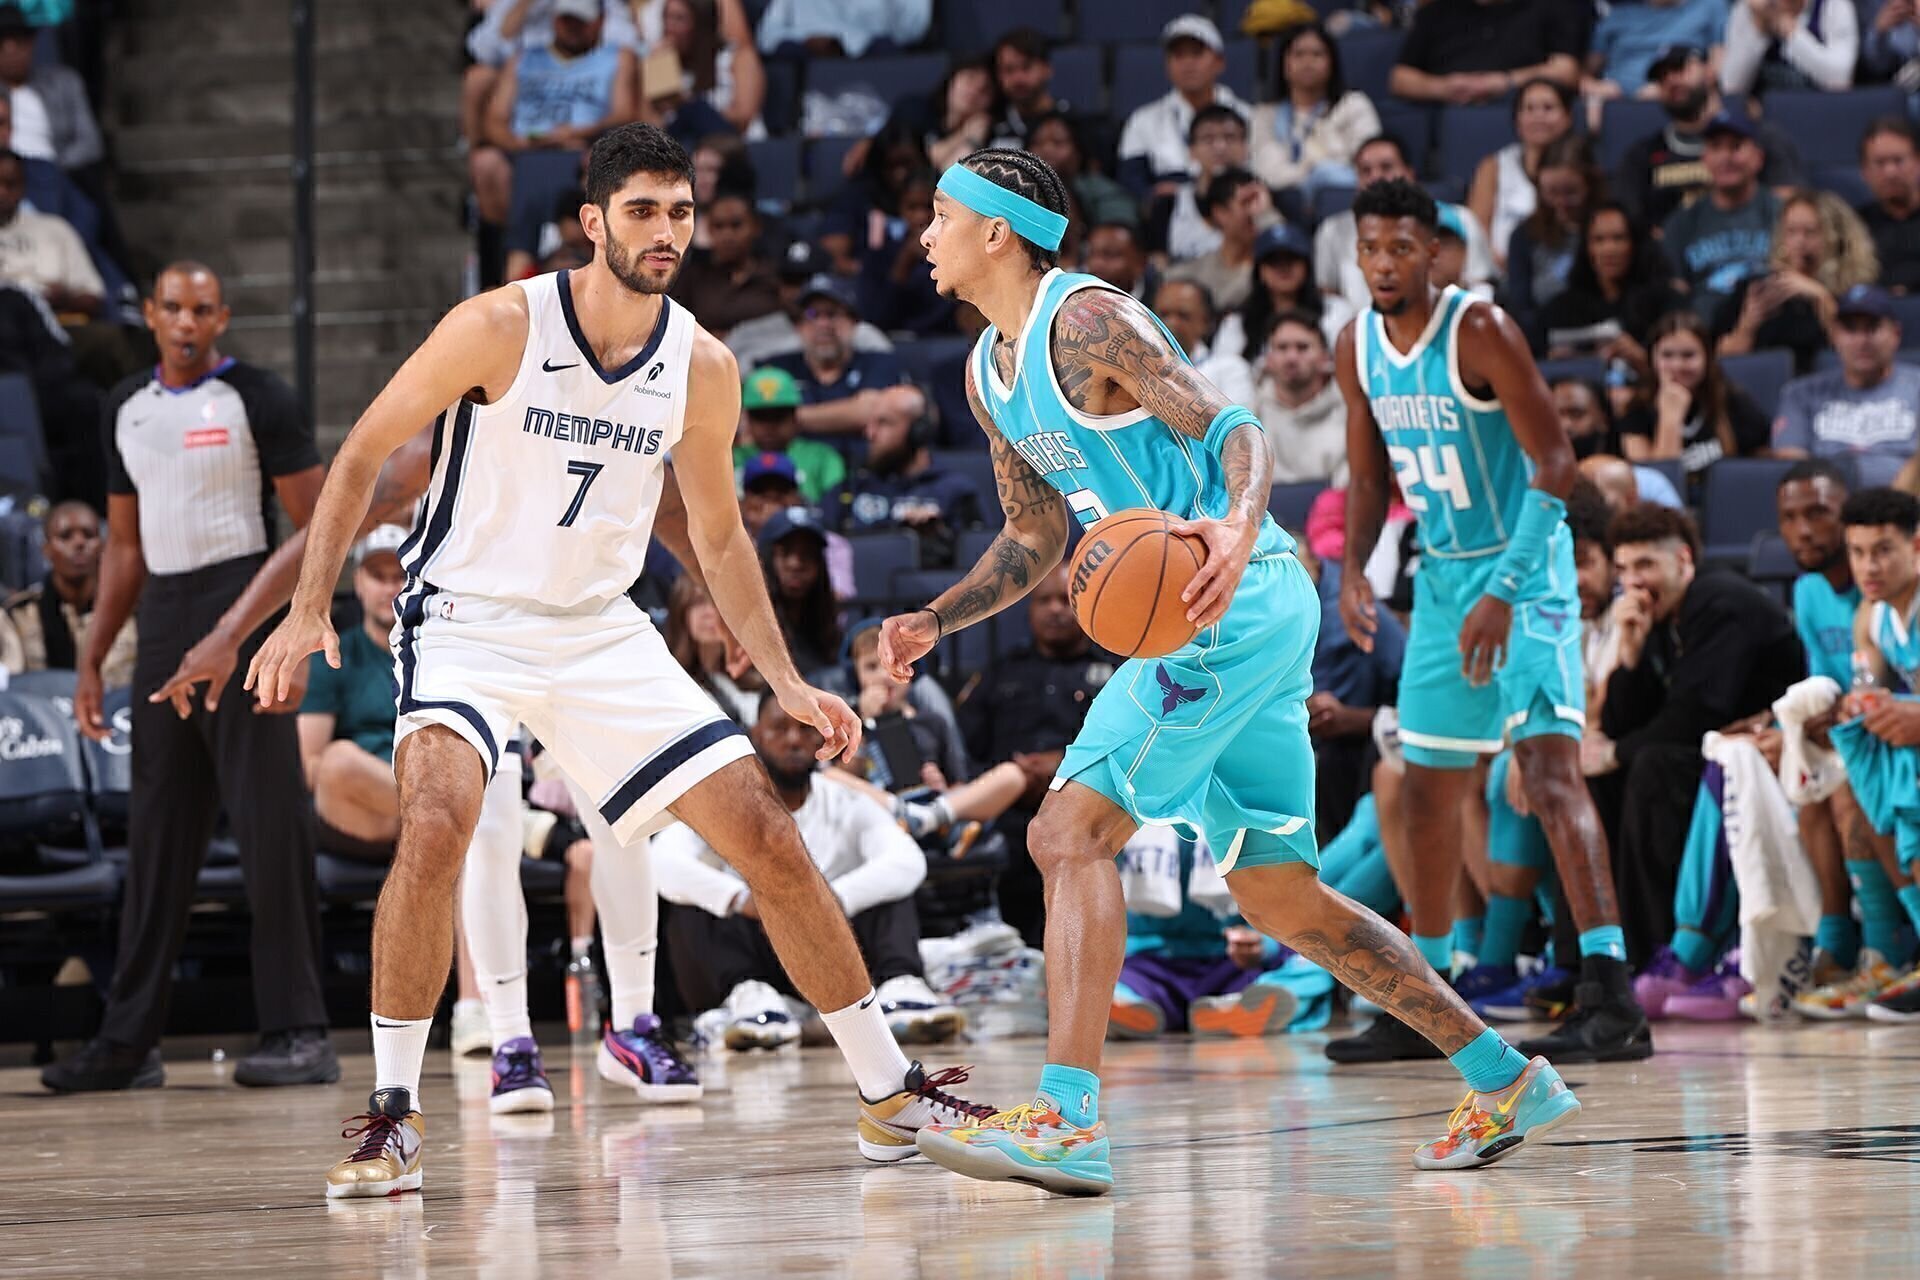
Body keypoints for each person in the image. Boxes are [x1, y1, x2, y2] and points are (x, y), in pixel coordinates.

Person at [241, 125, 992, 1197]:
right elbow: (362, 451)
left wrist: (784, 679)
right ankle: (397, 1113)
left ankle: (889, 1092)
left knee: (768, 834)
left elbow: (719, 536)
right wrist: (306, 603)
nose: (667, 231)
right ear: (592, 221)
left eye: (680, 211)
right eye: (642, 210)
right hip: (466, 614)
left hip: (601, 626)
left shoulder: (703, 362)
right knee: (444, 817)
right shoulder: (498, 324)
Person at [888, 147, 1583, 1197]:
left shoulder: (1085, 320)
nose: (923, 234)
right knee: (1281, 894)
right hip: (1218, 612)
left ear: (996, 229)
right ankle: (1502, 1074)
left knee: (1064, 830)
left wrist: (1234, 525)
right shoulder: (990, 371)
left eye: (939, 214)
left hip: (1225, 594)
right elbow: (1033, 532)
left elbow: (1234, 426)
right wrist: (937, 618)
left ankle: (1069, 1118)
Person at [1334, 177, 1650, 1064]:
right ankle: (1429, 1002)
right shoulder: (1354, 344)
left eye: (1402, 248)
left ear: (1436, 253)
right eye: (1371, 249)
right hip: (1443, 582)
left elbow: (1557, 466)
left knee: (1551, 776)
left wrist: (1506, 592)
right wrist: (1354, 569)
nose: (1386, 264)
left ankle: (1611, 992)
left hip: (1528, 572)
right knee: (1429, 787)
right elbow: (1368, 479)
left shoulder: (1479, 328)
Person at [40, 262, 336, 1094]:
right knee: (157, 839)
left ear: (222, 319)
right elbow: (126, 548)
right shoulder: (125, 406)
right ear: (148, 313)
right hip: (165, 618)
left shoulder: (258, 397)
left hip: (244, 604)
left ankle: (300, 1030)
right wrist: (95, 657)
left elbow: (319, 532)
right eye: (172, 308)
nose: (186, 322)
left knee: (270, 831)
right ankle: (128, 1043)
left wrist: (236, 633)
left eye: (202, 310)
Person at [654, 692, 964, 1050]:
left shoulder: (846, 801)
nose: (793, 739)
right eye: (779, 728)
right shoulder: (725, 804)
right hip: (754, 947)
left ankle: (901, 987)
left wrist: (826, 902)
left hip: (832, 952)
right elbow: (663, 863)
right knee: (694, 901)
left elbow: (908, 861)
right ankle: (748, 997)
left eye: (804, 729)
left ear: (822, 738)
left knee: (890, 888)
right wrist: (742, 899)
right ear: (755, 735)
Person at [1590, 503, 1805, 962]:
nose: (1634, 580)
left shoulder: (1718, 601)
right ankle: (1596, 956)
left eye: (1646, 564)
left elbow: (1694, 717)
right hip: (1714, 756)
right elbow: (1622, 725)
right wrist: (1628, 655)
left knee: (1651, 766)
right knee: (1598, 779)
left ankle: (1658, 950)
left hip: (1771, 758)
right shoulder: (1658, 615)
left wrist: (1613, 752)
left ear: (1683, 560)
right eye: (1624, 568)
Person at [956, 564, 1114, 947]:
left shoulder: (1114, 674)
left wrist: (1061, 767)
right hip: (1007, 819)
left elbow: (1126, 752)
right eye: (1044, 600)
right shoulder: (999, 673)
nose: (1055, 610)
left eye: (1066, 600)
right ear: (1029, 609)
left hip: (1085, 815)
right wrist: (1010, 778)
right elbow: (965, 751)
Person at [481, 0, 638, 280]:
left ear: (600, 21)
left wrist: (576, 135)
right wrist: (525, 143)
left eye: (581, 20)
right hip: (527, 149)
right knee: (496, 166)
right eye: (566, 19)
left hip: (586, 148)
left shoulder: (618, 57)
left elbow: (623, 113)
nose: (572, 27)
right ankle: (515, 279)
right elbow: (494, 120)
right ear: (554, 20)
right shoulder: (523, 59)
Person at [298, 526, 410, 853]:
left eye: (399, 577)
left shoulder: (437, 658)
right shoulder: (331, 657)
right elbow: (309, 765)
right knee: (337, 761)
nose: (389, 588)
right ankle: (454, 819)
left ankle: (432, 822)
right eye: (378, 576)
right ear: (358, 582)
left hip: (419, 795)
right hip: (356, 811)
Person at [1615, 44, 1804, 228]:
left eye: (1680, 68)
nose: (1671, 80)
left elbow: (1790, 208)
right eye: (1661, 77)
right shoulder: (1643, 154)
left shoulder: (1760, 138)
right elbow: (1628, 224)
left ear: (1710, 71)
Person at [1316, 135, 1496, 308]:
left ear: (1409, 173)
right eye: (1365, 171)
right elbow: (1329, 295)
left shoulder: (1460, 219)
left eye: (1386, 167)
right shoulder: (1332, 230)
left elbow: (1480, 284)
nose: (1375, 177)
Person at [1715, 189, 1878, 372]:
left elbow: (1858, 357)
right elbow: (1721, 357)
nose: (1799, 241)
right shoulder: (1758, 287)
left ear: (1836, 237)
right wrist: (1748, 325)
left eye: (1810, 232)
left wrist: (1821, 298)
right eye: (1791, 232)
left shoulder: (1856, 292)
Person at [1773, 285, 1920, 484]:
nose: (1861, 340)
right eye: (1850, 329)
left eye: (1872, 327)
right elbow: (1791, 464)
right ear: (1834, 336)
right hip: (1829, 506)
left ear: (1896, 333)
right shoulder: (1801, 393)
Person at [1616, 309, 1772, 495]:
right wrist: (1670, 417)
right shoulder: (1636, 410)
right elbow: (1659, 484)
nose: (1677, 366)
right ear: (1653, 359)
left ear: (1707, 358)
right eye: (1667, 355)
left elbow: (1764, 467)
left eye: (1688, 355)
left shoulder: (1732, 400)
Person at [833, 383, 983, 562]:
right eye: (869, 424)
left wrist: (940, 538)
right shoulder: (852, 487)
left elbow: (980, 559)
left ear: (918, 430)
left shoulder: (955, 490)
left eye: (883, 423)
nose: (870, 434)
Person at [1660, 112, 1783, 327]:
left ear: (1758, 158)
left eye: (1735, 147)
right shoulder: (1681, 223)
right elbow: (1675, 296)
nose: (1725, 157)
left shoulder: (1781, 214)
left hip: (1771, 330)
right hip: (1705, 339)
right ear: (1705, 159)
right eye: (1716, 147)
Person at [0, 499, 134, 683]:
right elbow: (10, 685)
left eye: (89, 535)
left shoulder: (129, 612)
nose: (79, 543)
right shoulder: (17, 616)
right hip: (40, 707)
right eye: (65, 536)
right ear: (46, 548)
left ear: (103, 545)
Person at [1116, 15, 1250, 198]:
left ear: (1219, 62)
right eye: (1178, 55)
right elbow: (1133, 183)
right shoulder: (1143, 120)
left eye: (1196, 53)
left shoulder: (1247, 115)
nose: (1188, 64)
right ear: (1167, 64)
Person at [1247, 22, 1381, 205]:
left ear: (1332, 62)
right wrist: (1313, 173)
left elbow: (1369, 166)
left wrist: (1320, 174)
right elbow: (1267, 173)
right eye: (1298, 54)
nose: (1307, 62)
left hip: (1345, 203)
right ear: (1284, 63)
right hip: (1279, 208)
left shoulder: (1354, 105)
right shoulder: (1264, 115)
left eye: (1317, 54)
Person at [1533, 202, 1683, 363]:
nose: (1609, 249)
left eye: (1619, 238)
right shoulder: (1561, 309)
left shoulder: (1667, 302)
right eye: (1599, 240)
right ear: (1587, 248)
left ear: (1635, 244)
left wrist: (1641, 358)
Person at [767, 273, 905, 436]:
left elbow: (869, 411)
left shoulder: (878, 362)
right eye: (812, 315)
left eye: (832, 314)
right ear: (799, 326)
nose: (823, 324)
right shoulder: (777, 368)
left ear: (854, 323)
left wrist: (785, 420)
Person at [1467, 78, 1576, 272]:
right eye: (1529, 109)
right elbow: (1475, 232)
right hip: (1498, 275)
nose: (1538, 117)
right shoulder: (1493, 166)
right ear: (1516, 119)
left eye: (1548, 108)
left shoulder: (1579, 168)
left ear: (1568, 117)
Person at [1500, 134, 1606, 334]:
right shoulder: (1524, 235)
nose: (1561, 203)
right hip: (1543, 336)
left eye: (1571, 192)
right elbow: (1521, 305)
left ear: (1591, 185)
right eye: (1551, 193)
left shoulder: (1610, 230)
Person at [1388, 0, 1582, 105]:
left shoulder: (1549, 6)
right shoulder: (1436, 12)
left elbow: (1566, 71)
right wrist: (1445, 87)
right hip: (1452, 118)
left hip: (1523, 114)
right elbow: (1400, 79)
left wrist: (1504, 82)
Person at [1145, 104, 1255, 264]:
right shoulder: (1168, 204)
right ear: (1192, 151)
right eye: (1208, 139)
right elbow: (1158, 266)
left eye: (1230, 137)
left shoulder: (1265, 201)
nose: (1220, 147)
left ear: (1246, 148)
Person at [738, 452, 856, 598]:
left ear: (797, 498)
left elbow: (839, 599)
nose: (771, 498)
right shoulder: (730, 547)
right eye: (760, 491)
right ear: (743, 502)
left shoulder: (831, 543)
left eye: (781, 490)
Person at [0, 5, 101, 173]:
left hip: (58, 176)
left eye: (19, 42)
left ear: (32, 44)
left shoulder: (64, 83)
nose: (12, 51)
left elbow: (90, 143)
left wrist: (51, 169)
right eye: (3, 45)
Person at [0, 147, 100, 316]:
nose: (1, 193)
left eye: (10, 184)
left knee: (108, 336)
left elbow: (92, 297)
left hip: (52, 323)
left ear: (23, 187)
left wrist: (63, 299)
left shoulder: (55, 229)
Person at [1166, 168, 1278, 316]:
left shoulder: (1274, 270)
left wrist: (1267, 219)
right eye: (1247, 202)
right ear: (1220, 212)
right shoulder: (1193, 271)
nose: (1255, 211)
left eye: (1260, 203)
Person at [667, 189, 780, 335]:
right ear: (709, 229)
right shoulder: (691, 279)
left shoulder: (773, 275)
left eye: (736, 225)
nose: (727, 235)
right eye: (719, 226)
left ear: (756, 227)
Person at [1254, 310, 1348, 485]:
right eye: (1282, 348)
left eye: (1302, 347)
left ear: (1325, 358)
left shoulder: (1349, 410)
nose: (1291, 358)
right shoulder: (1250, 413)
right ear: (1268, 359)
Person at [734, 365, 845, 502]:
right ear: (748, 419)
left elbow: (835, 510)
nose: (770, 425)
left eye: (778, 416)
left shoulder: (822, 457)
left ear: (794, 417)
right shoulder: (731, 459)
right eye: (761, 416)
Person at [654, 0, 765, 137]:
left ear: (701, 23)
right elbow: (650, 123)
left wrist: (684, 101)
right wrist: (657, 70)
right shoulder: (663, 65)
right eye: (666, 17)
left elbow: (743, 117)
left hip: (734, 145)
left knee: (694, 110)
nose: (669, 27)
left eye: (679, 19)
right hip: (685, 147)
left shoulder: (737, 57)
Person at [1234, 222, 1343, 357]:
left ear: (1307, 266)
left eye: (1291, 259)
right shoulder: (1236, 323)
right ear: (1260, 271)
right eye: (1274, 261)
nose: (1283, 268)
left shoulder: (1336, 311)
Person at [1586, 0, 1733, 98]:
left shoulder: (1710, 6)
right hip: (1620, 102)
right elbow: (1585, 74)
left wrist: (1669, 89)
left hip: (1683, 99)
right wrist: (1595, 91)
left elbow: (1717, 69)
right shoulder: (1617, 15)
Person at [759, 505, 842, 674]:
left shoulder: (829, 630)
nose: (796, 564)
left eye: (808, 554)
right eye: (785, 552)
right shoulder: (749, 628)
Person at [1151, 278, 1255, 407]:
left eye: (1183, 315)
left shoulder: (1230, 369)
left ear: (1206, 322)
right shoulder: (1136, 369)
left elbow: (1238, 425)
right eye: (1163, 315)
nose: (1172, 323)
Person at [1722, 0, 1859, 95]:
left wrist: (1790, 33)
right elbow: (1731, 87)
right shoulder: (1749, 10)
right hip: (1766, 117)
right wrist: (1758, 30)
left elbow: (1840, 78)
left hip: (1821, 110)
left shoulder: (1834, 5)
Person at [1027, 112, 1136, 231]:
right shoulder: (1019, 188)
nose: (1046, 149)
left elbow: (1120, 230)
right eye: (1037, 143)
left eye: (1058, 142)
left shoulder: (1102, 191)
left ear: (1078, 150)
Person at [1857, 117, 1920, 293]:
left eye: (1898, 161)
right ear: (1864, 171)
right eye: (1880, 163)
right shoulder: (1855, 226)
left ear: (1918, 162)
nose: (1890, 172)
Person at [754, 0, 930, 58]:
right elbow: (766, 35)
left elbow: (914, 29)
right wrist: (803, 41)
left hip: (873, 63)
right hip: (804, 66)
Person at [985, 27, 1066, 152]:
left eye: (1026, 67)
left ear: (1047, 69)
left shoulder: (1069, 122)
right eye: (1009, 69)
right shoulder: (989, 125)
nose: (1018, 78)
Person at [1082, 221, 1155, 305]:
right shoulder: (1075, 296)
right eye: (1091, 253)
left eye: (1110, 254)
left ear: (1140, 262)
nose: (1096, 263)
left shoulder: (1159, 298)